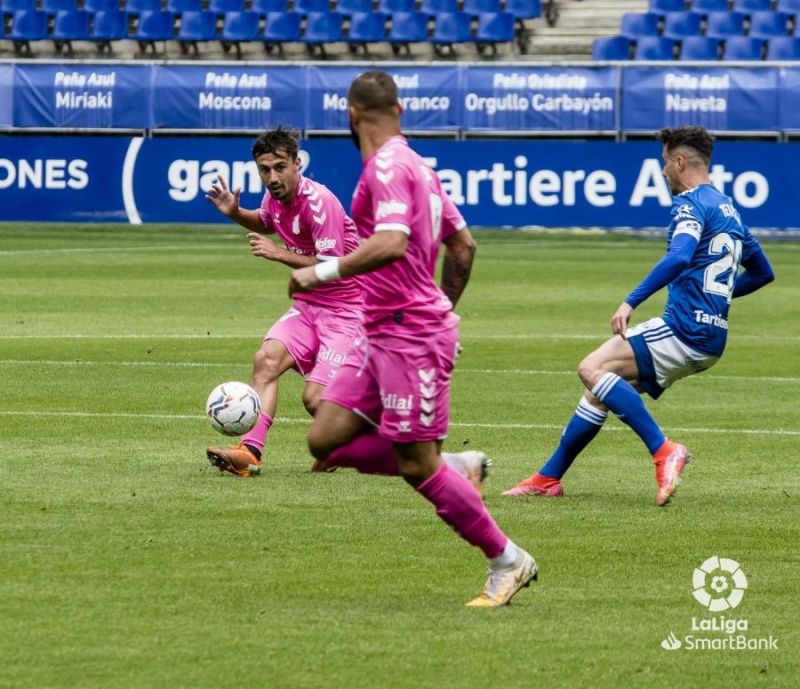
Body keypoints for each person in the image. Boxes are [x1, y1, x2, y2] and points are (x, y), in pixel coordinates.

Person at [289, 70, 538, 607]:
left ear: (351, 115)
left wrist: (321, 272)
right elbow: (464, 247)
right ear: (399, 110)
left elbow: (392, 242)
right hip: (378, 331)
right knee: (323, 439)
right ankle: (458, 469)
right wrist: (444, 312)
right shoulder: (419, 168)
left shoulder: (385, 168)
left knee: (413, 465)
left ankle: (507, 560)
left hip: (407, 336)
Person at [503, 125, 775, 506]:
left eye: (664, 163)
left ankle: (664, 450)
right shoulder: (729, 209)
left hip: (684, 328)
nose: (663, 172)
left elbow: (680, 255)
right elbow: (764, 272)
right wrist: (720, 299)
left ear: (679, 162)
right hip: (711, 337)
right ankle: (548, 478)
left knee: (592, 368)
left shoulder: (691, 204)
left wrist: (630, 301)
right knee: (600, 391)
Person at [204, 125, 363, 477]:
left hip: (349, 310)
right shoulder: (274, 198)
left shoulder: (319, 203)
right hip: (309, 305)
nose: (272, 177)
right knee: (266, 360)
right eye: (264, 169)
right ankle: (249, 452)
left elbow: (332, 266)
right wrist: (235, 212)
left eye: (279, 167)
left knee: (315, 400)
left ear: (297, 163)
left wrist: (278, 254)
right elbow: (264, 221)